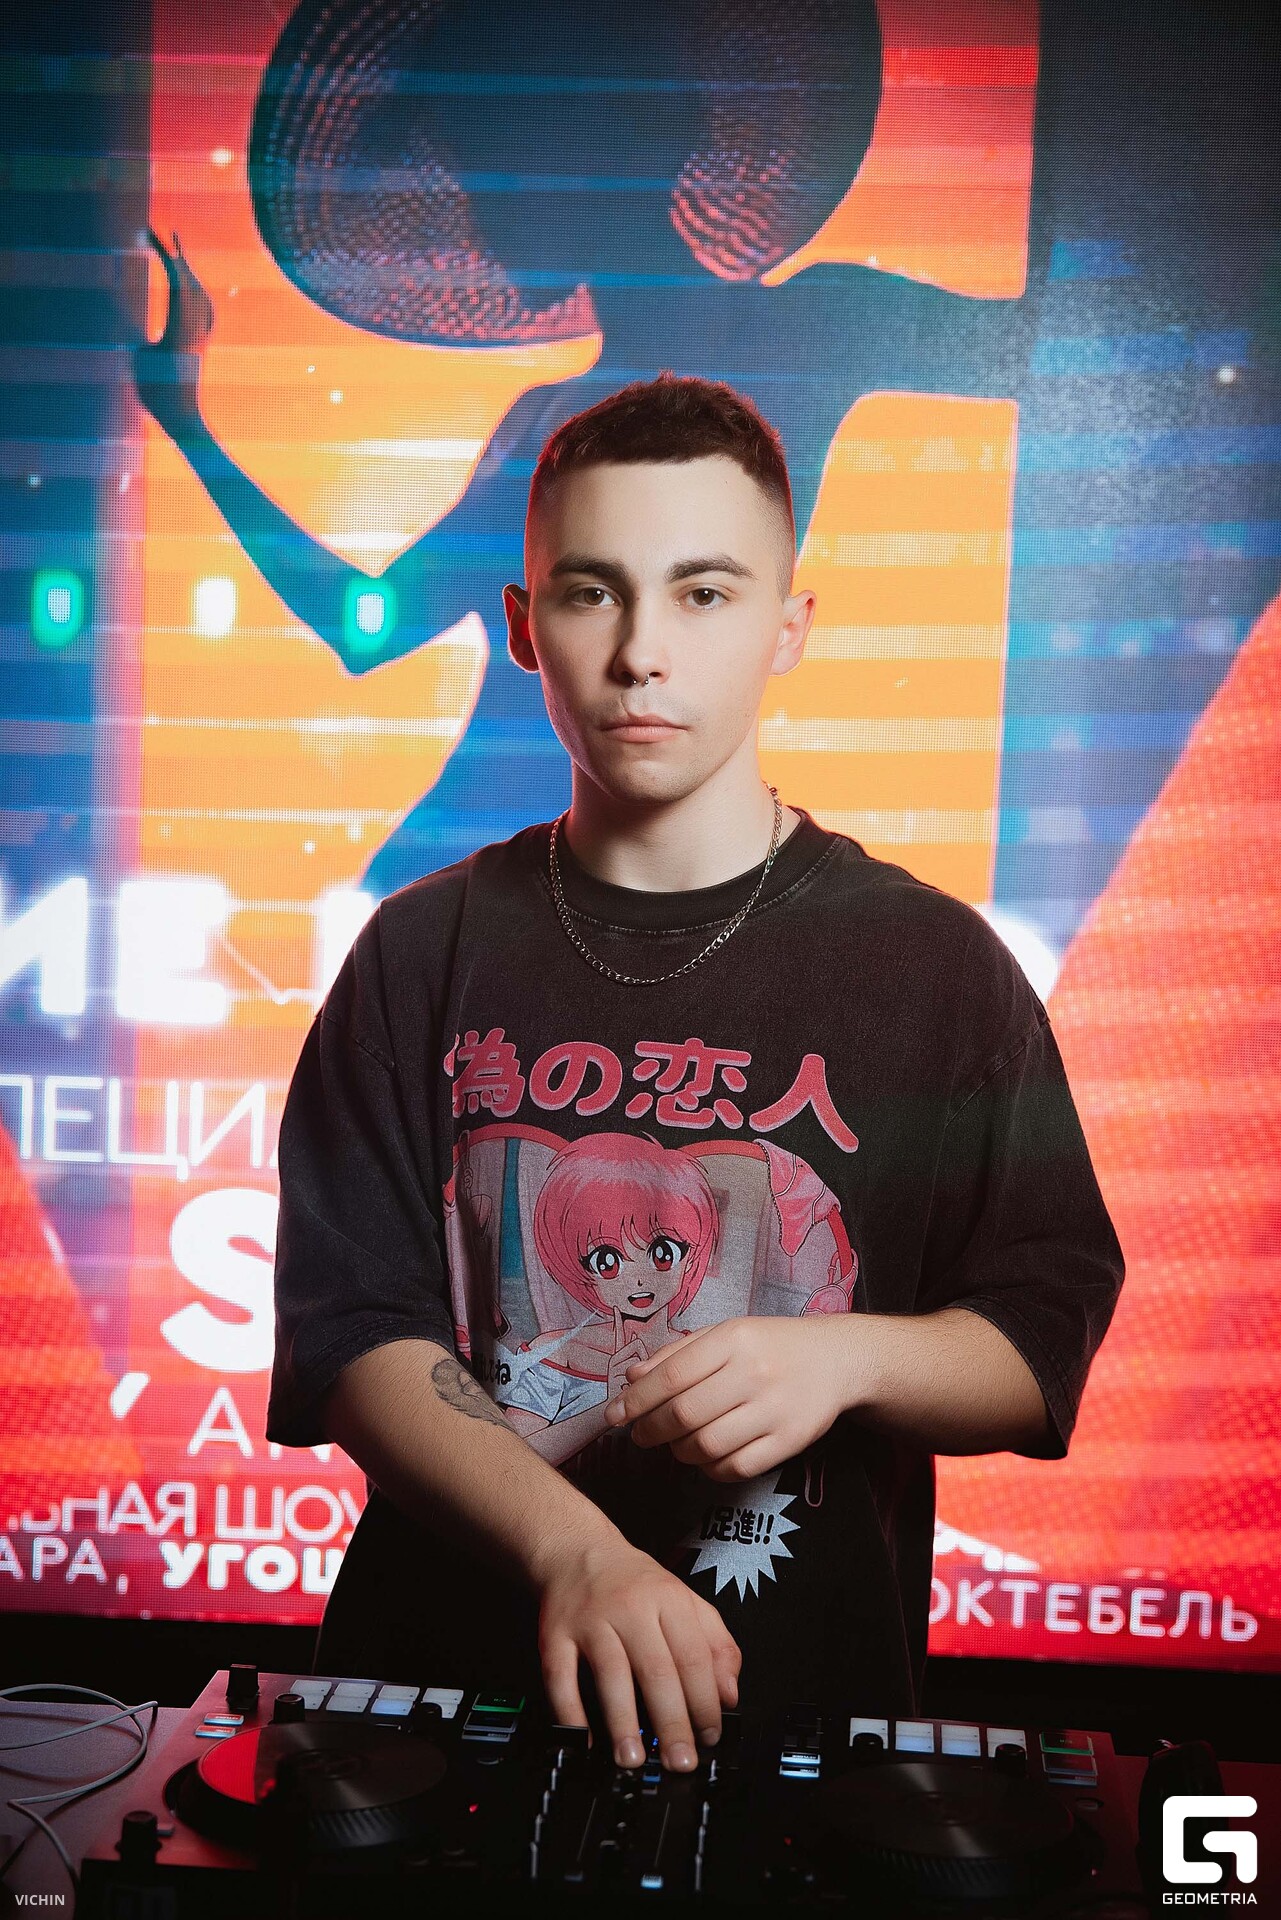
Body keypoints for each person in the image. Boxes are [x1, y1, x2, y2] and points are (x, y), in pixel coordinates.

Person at [266, 374, 1125, 1776]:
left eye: (704, 593)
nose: (641, 654)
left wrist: (846, 1357)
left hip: (800, 1729)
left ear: (790, 627)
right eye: (592, 592)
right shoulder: (419, 951)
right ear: (524, 627)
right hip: (433, 1720)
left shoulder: (932, 964)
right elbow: (357, 1337)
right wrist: (574, 1552)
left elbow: (1038, 1340)